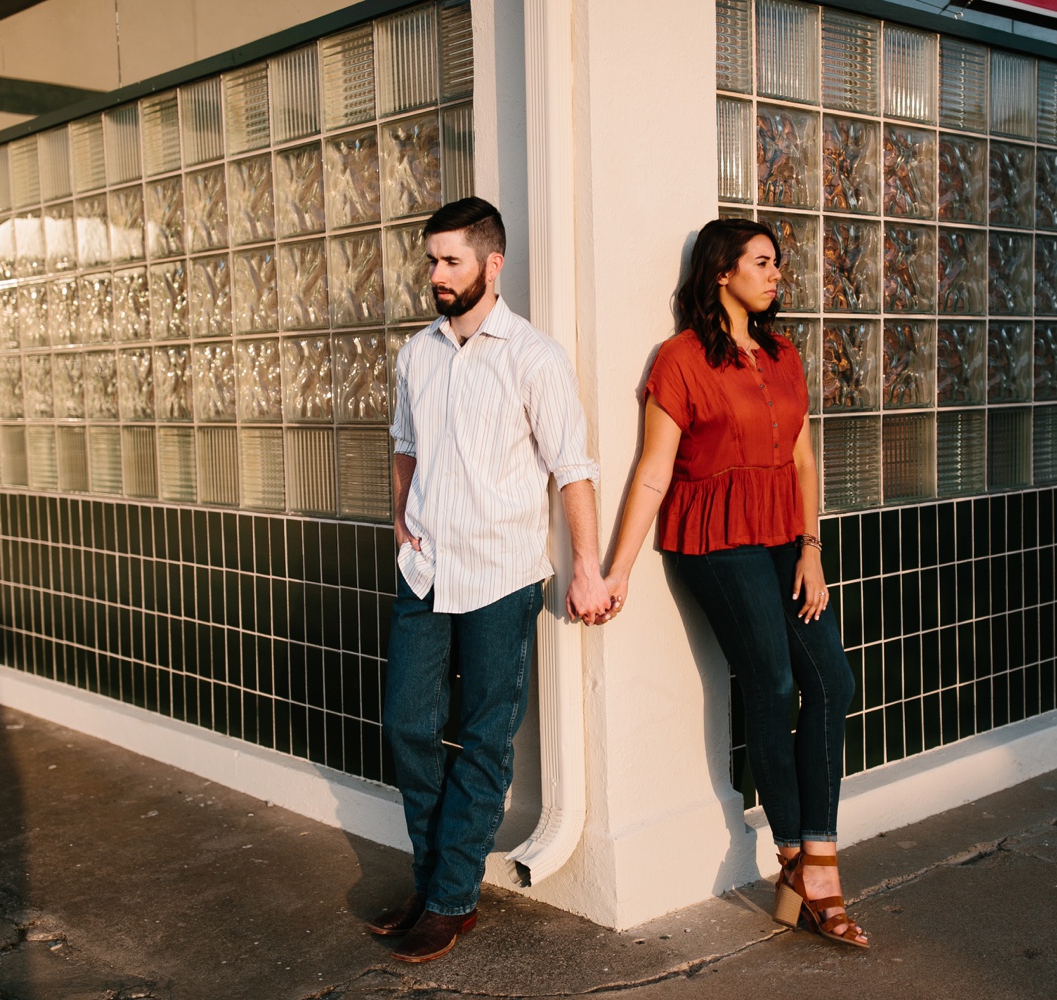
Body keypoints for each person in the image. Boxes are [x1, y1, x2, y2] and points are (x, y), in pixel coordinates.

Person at [599, 218, 868, 948]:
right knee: (774, 686)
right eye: (762, 262)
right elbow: (655, 469)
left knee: (832, 683)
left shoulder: (783, 354)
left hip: (785, 537)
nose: (776, 274)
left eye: (776, 264)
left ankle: (813, 852)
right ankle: (804, 863)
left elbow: (805, 462)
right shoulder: (680, 360)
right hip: (715, 542)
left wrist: (812, 550)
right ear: (722, 271)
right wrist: (617, 569)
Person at [366, 197, 612, 963]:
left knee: (484, 738)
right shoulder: (417, 354)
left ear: (491, 264)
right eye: (431, 261)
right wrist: (401, 511)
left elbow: (572, 468)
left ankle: (449, 897)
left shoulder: (533, 356)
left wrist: (588, 567)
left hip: (504, 576)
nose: (436, 276)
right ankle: (436, 877)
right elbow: (404, 444)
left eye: (451, 262)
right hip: (427, 569)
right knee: (407, 724)